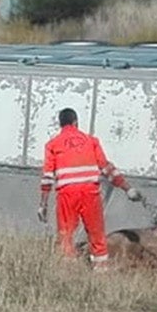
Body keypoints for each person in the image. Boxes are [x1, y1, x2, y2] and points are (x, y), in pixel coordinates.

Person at [38, 108, 138, 266]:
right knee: (96, 234)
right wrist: (128, 188)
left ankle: (66, 270)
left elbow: (47, 177)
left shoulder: (52, 144)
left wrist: (43, 204)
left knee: (66, 235)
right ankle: (101, 271)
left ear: (60, 124)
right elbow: (106, 168)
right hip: (90, 193)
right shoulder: (92, 141)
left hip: (67, 194)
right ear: (75, 122)